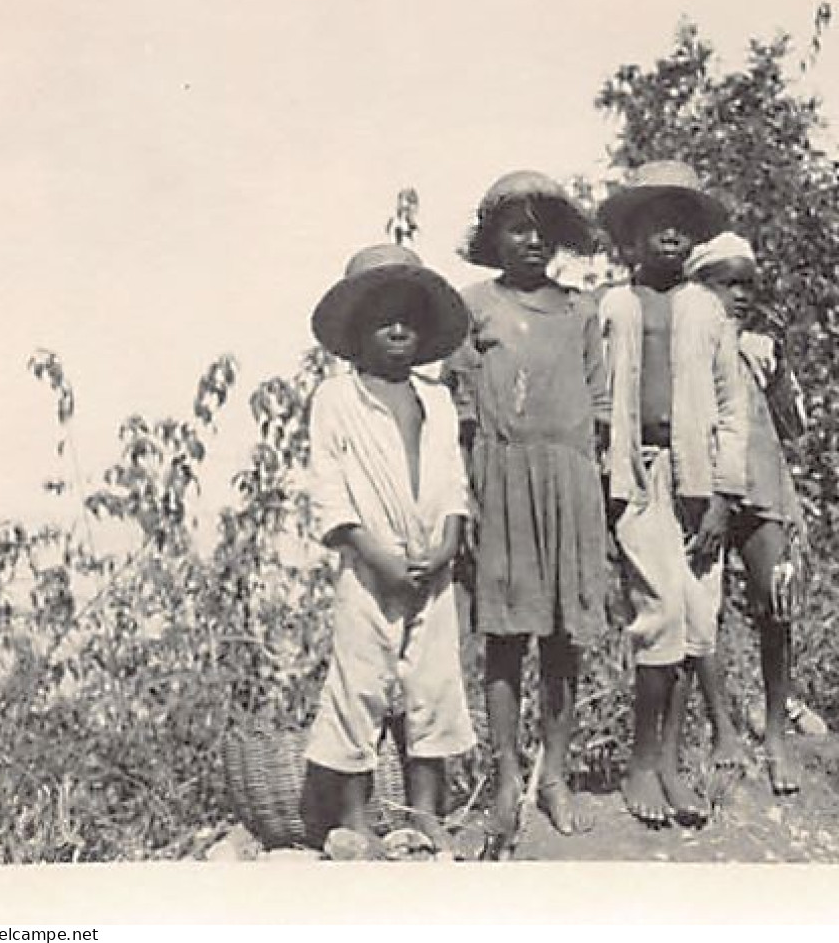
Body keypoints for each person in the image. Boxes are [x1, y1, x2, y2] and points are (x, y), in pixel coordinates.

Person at [443, 171, 611, 839]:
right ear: (493, 238)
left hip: (568, 479)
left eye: (543, 228)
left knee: (564, 636)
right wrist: (467, 501)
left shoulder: (580, 311)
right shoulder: (473, 306)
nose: (531, 240)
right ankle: (508, 775)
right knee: (506, 635)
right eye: (516, 227)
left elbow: (598, 408)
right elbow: (457, 414)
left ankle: (556, 773)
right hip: (500, 477)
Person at [303, 242, 477, 850]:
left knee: (434, 683)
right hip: (369, 562)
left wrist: (449, 542)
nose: (399, 329)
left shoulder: (437, 398)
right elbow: (328, 490)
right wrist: (374, 554)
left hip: (432, 561)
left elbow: (454, 481)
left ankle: (426, 811)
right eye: (384, 319)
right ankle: (353, 817)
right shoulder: (336, 400)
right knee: (361, 679)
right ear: (357, 331)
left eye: (408, 318)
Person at [598, 160, 747, 827]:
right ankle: (639, 758)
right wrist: (604, 484)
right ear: (629, 236)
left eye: (680, 223)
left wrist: (723, 495)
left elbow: (731, 406)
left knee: (693, 617)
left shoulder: (707, 310)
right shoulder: (614, 307)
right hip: (639, 477)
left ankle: (669, 762)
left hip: (698, 482)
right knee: (655, 611)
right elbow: (600, 400)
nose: (668, 234)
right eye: (653, 221)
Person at [685, 234, 807, 797]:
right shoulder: (685, 340)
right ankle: (722, 729)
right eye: (723, 282)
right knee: (700, 607)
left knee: (775, 601)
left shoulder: (757, 346)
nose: (737, 295)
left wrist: (777, 367)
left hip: (760, 481)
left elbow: (795, 426)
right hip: (704, 485)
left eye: (745, 284)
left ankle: (777, 734)